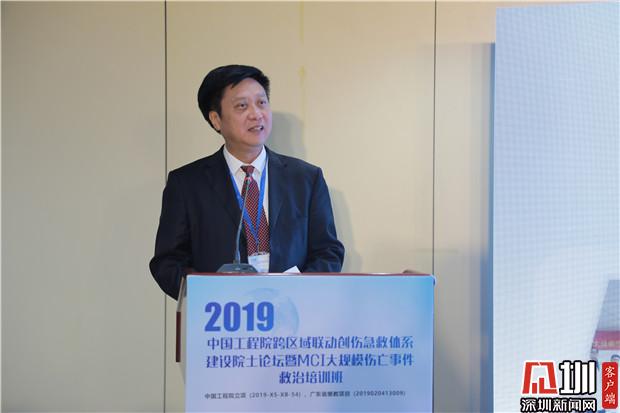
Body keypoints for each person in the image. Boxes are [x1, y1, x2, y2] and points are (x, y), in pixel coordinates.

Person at [150, 65, 345, 299]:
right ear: (216, 119)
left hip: (293, 311)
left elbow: (328, 252)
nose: (256, 114)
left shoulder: (306, 179)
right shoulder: (187, 184)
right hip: (221, 313)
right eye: (242, 106)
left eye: (261, 103)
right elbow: (168, 262)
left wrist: (295, 292)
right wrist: (209, 294)